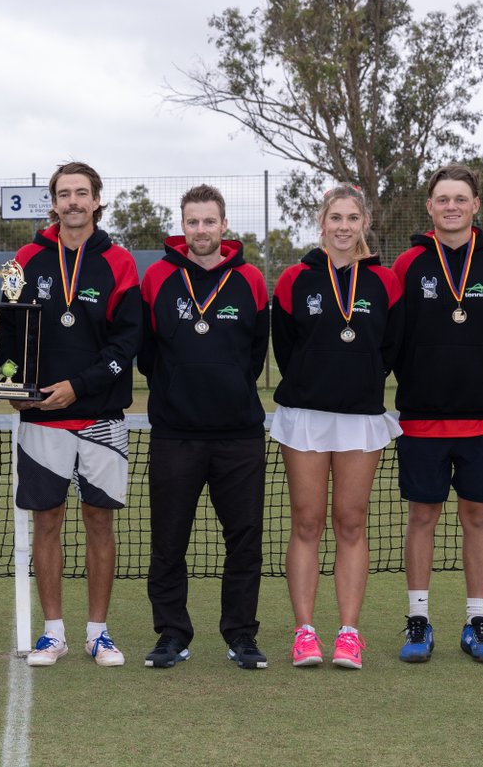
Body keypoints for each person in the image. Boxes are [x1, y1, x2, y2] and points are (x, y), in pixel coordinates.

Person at [392, 164, 483, 665]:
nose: (451, 206)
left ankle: (477, 621)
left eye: (460, 198)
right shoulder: (408, 264)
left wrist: (480, 369)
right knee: (422, 516)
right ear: (429, 207)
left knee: (477, 517)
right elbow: (396, 336)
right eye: (442, 198)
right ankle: (419, 620)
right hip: (423, 418)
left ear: (474, 205)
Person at [10, 161, 141, 668]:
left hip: (100, 418)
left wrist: (79, 387)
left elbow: (126, 341)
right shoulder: (25, 258)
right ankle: (53, 633)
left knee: (99, 522)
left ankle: (98, 633)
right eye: (64, 194)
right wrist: (16, 385)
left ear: (97, 200)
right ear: (54, 202)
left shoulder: (120, 262)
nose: (73, 202)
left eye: (81, 193)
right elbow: (9, 330)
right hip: (41, 418)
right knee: (46, 522)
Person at [270, 184, 403, 669]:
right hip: (304, 416)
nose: (343, 226)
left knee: (351, 523)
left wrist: (360, 379)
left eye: (352, 218)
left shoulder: (385, 282)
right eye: (335, 218)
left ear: (364, 223)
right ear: (321, 223)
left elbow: (392, 347)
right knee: (306, 522)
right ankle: (305, 632)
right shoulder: (294, 279)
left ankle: (348, 633)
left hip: (361, 419)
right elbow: (284, 347)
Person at [138, 185, 270, 669]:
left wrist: (229, 388)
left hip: (238, 435)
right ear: (182, 225)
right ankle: (172, 634)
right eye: (192, 222)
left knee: (245, 539)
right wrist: (175, 389)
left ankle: (241, 636)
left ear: (224, 225)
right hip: (176, 434)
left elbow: (256, 351)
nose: (201, 231)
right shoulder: (156, 277)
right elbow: (147, 351)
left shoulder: (251, 279)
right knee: (169, 539)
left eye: (209, 222)